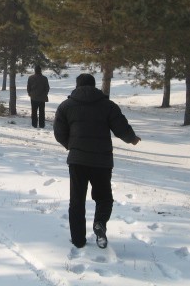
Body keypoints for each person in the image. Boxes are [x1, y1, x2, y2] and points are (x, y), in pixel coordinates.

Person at [54, 73, 141, 249]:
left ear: (77, 86)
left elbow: (59, 132)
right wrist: (132, 138)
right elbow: (120, 127)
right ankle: (100, 222)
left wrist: (71, 146)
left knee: (76, 201)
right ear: (95, 86)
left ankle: (78, 240)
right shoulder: (107, 105)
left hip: (78, 161)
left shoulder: (66, 106)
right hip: (102, 161)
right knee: (104, 198)